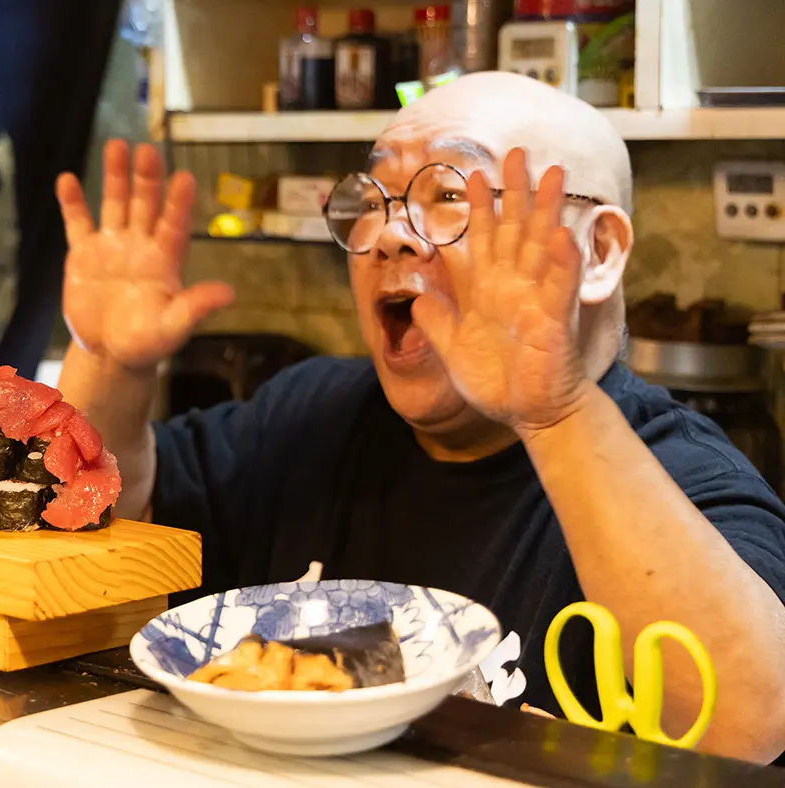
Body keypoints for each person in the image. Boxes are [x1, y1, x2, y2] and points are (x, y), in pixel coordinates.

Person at [53, 72, 785, 764]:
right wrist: (111, 364)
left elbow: (747, 727)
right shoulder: (311, 416)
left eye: (449, 193)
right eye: (374, 198)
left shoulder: (687, 477)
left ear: (598, 253)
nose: (392, 233)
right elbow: (103, 511)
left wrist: (553, 411)